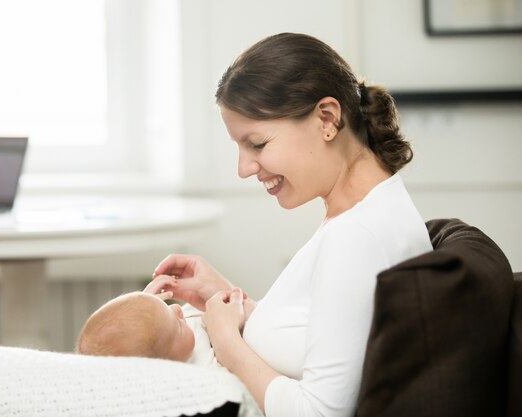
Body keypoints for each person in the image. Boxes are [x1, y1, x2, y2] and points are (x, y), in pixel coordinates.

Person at [151, 33, 433, 417]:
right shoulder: (365, 210)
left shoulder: (355, 236)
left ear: (327, 118)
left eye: (258, 144)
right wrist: (233, 301)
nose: (244, 168)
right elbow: (323, 334)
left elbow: (320, 412)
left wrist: (226, 341)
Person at [77, 276, 250, 366]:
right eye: (178, 327)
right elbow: (237, 364)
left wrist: (148, 304)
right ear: (166, 364)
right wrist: (231, 327)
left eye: (167, 307)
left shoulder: (165, 340)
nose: (178, 309)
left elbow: (142, 332)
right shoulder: (202, 366)